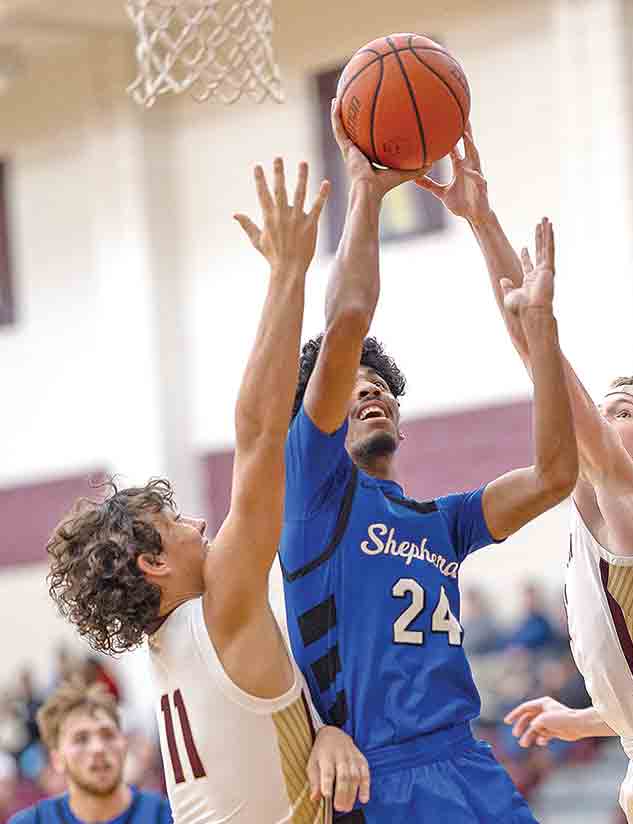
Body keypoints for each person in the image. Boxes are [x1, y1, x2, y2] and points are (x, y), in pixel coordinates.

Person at [414, 129, 633, 823]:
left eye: (621, 413)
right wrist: (586, 719)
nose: (601, 422)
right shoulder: (620, 508)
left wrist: (490, 236)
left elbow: (540, 361)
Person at [278, 100, 577, 822]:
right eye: (352, 389)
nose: (370, 394)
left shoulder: (440, 522)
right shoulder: (314, 493)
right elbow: (348, 319)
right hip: (380, 778)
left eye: (380, 389)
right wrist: (368, 193)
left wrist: (540, 332)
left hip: (468, 761)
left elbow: (555, 476)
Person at [46, 159, 371, 821]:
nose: (199, 523)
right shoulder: (222, 609)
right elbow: (256, 434)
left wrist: (324, 729)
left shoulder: (170, 650)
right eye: (175, 521)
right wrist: (288, 272)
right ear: (154, 562)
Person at [8, 681, 171, 824]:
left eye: (108, 734)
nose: (98, 748)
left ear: (124, 744)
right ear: (57, 759)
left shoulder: (168, 816)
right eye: (81, 739)